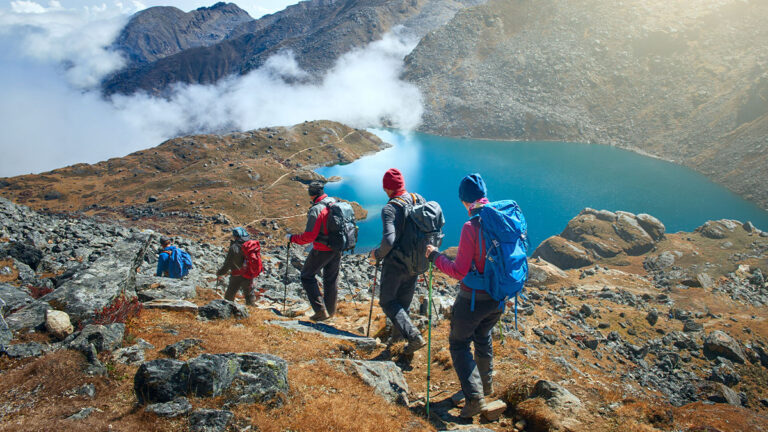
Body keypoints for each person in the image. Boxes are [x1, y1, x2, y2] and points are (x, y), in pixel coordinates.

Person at [425, 173, 500, 418]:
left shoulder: (472, 226)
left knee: (458, 344)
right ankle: (486, 386)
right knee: (483, 335)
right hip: (499, 297)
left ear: (464, 201)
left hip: (474, 299)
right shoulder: (501, 217)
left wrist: (435, 256)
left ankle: (475, 398)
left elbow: (459, 271)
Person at [370, 168, 427, 355]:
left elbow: (389, 241)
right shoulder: (418, 199)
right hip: (416, 262)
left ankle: (413, 336)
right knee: (402, 304)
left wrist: (377, 255)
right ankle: (397, 344)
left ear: (387, 188)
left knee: (387, 302)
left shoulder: (390, 208)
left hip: (396, 264)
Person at [288, 181, 341, 321]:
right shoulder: (332, 201)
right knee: (330, 279)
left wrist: (292, 238)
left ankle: (320, 311)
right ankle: (330, 312)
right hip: (336, 247)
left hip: (322, 249)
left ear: (311, 194)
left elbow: (309, 236)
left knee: (306, 276)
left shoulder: (316, 209)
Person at [216, 227, 258, 305]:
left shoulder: (234, 247)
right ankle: (252, 311)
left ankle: (228, 310)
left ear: (236, 236)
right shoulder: (250, 245)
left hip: (236, 275)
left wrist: (220, 272)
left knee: (229, 296)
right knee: (249, 295)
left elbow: (228, 263)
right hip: (249, 274)